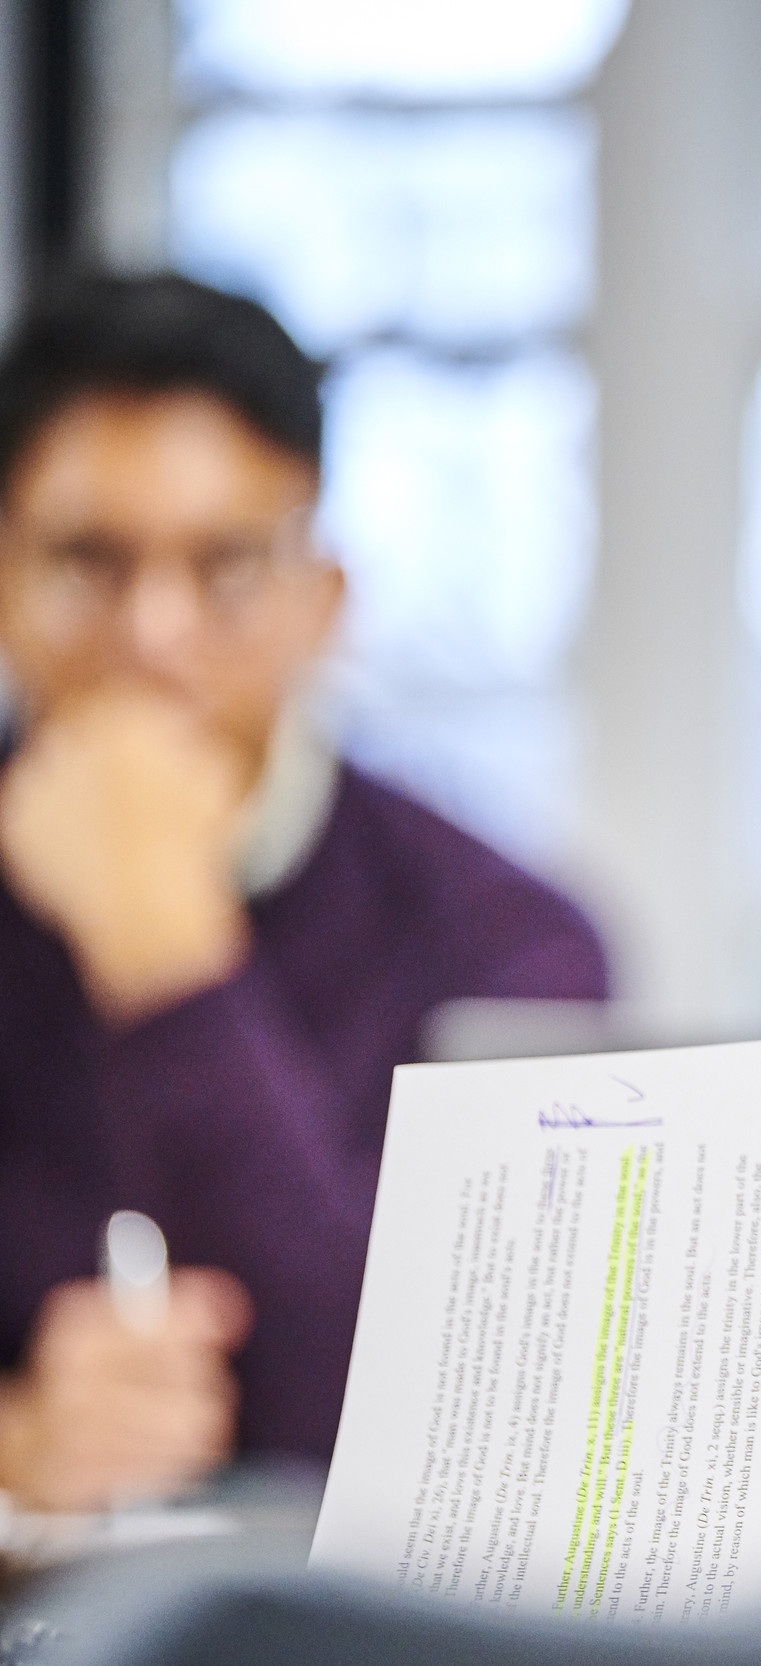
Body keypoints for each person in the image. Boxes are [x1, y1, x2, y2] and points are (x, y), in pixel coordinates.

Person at [0, 274, 609, 1510]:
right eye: (87, 562)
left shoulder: (509, 945)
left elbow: (444, 1438)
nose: (155, 633)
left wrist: (165, 953)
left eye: (225, 566)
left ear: (323, 599)